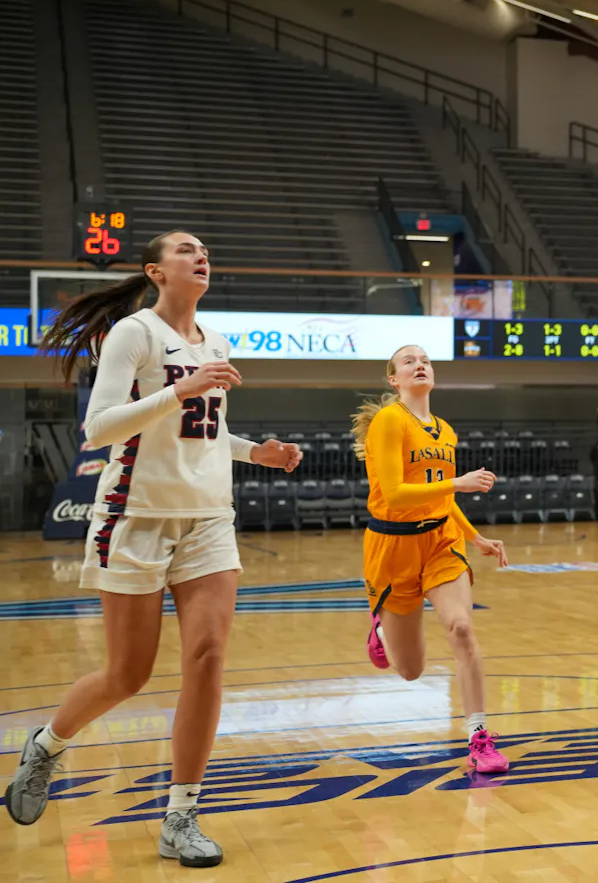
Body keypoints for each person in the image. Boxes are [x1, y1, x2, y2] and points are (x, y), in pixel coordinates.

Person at [5, 231, 303, 864]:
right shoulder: (133, 334)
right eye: (186, 250)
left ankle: (181, 816)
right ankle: (47, 746)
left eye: (206, 251)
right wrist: (181, 388)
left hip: (208, 520)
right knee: (128, 674)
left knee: (207, 656)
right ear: (155, 271)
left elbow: (206, 432)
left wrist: (258, 452)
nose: (201, 256)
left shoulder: (215, 342)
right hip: (134, 516)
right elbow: (99, 427)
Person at [353, 344, 511, 775]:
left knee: (461, 628)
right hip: (392, 547)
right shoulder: (389, 421)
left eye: (425, 361)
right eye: (409, 361)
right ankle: (381, 630)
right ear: (394, 380)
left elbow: (442, 494)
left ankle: (479, 739)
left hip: (441, 542)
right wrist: (459, 483)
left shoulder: (444, 429)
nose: (419, 365)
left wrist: (475, 537)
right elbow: (396, 493)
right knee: (410, 671)